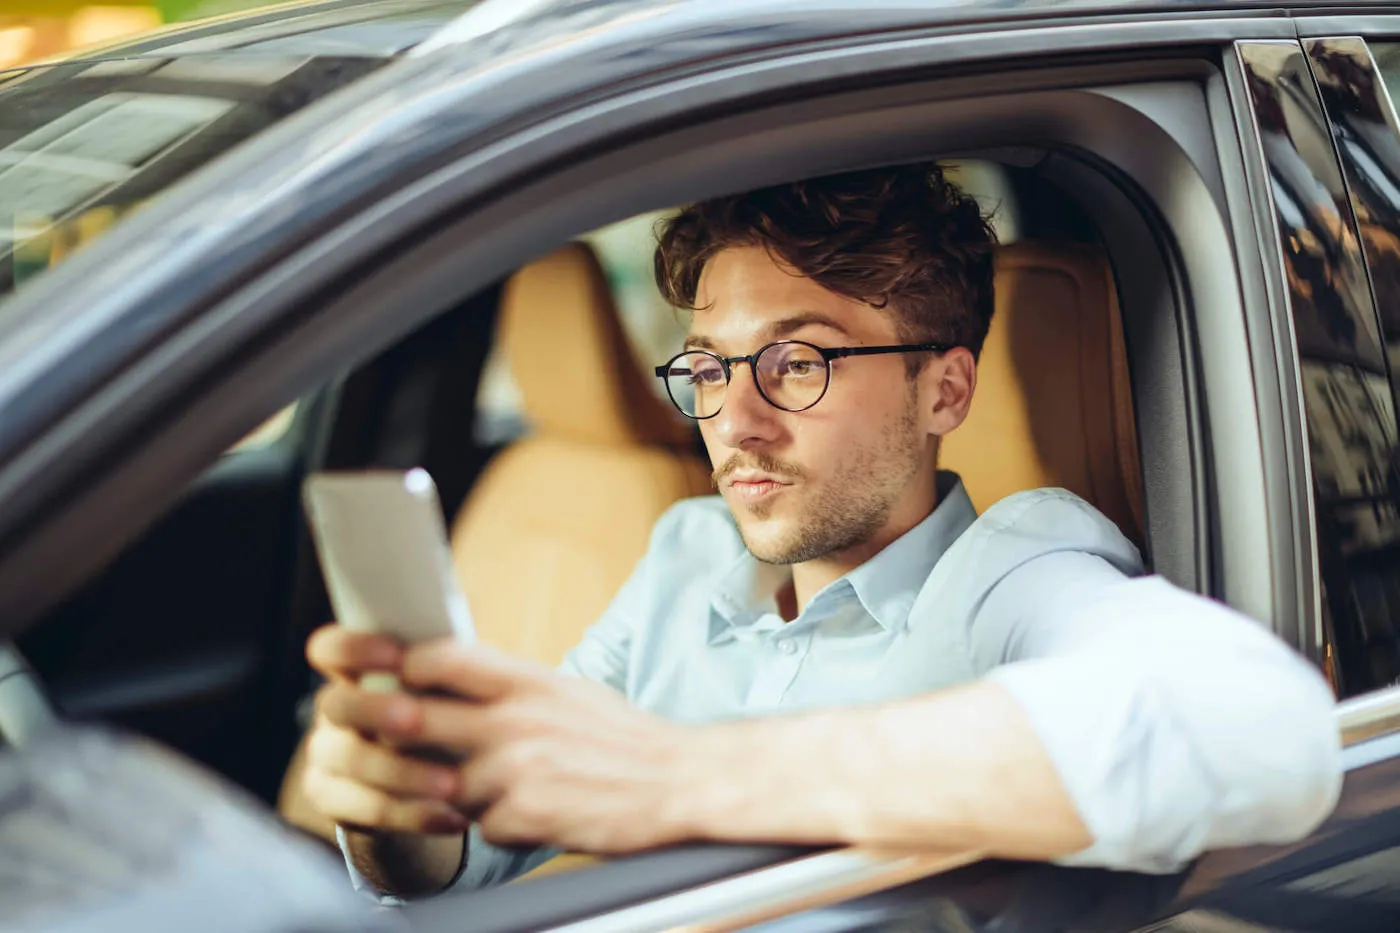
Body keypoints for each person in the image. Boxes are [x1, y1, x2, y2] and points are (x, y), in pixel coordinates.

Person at [298, 165, 1342, 899]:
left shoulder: (1010, 573)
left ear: (944, 389)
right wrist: (399, 813)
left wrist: (673, 778)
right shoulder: (684, 554)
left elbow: (1261, 730)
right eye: (708, 367)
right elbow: (474, 851)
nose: (733, 422)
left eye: (797, 364)